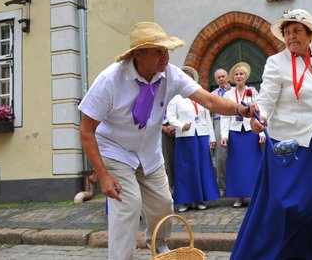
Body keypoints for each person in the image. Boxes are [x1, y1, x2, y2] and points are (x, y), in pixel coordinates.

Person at [78, 22, 255, 260]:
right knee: (128, 205)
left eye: (167, 50)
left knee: (163, 203)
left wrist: (239, 109)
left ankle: (158, 245)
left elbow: (209, 101)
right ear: (139, 55)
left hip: (149, 151)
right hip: (115, 150)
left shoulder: (171, 73)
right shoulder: (111, 79)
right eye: (159, 51)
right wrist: (103, 175)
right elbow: (87, 131)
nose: (166, 56)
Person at [230, 9, 312, 259]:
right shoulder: (276, 62)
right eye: (286, 32)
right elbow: (266, 100)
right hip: (288, 144)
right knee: (286, 206)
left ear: (309, 35)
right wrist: (259, 117)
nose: (290, 36)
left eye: (296, 31)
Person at [167, 66, 220, 212]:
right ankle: (186, 201)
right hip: (185, 138)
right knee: (186, 169)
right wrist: (181, 125)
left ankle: (200, 199)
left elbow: (207, 117)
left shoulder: (200, 96)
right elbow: (170, 117)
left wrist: (212, 137)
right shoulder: (176, 98)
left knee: (202, 167)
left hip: (201, 135)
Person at [221, 62, 265, 208]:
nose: (239, 76)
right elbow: (224, 116)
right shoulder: (228, 94)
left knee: (253, 163)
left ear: (246, 76)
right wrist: (224, 136)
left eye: (242, 74)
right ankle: (239, 196)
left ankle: (254, 194)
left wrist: (261, 133)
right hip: (235, 133)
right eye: (236, 74)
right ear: (233, 77)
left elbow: (259, 113)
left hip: (250, 131)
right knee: (237, 164)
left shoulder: (252, 91)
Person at [211, 68, 232, 196]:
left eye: (223, 76)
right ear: (216, 80)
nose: (221, 79)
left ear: (228, 77)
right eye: (218, 77)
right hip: (219, 121)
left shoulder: (235, 91)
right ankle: (222, 186)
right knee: (221, 156)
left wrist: (230, 94)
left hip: (234, 121)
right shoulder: (213, 94)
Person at [161, 115, 176, 191]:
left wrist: (174, 126)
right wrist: (162, 128)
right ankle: (170, 186)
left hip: (178, 127)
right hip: (161, 129)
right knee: (167, 160)